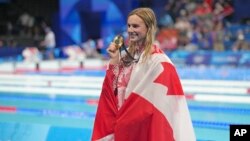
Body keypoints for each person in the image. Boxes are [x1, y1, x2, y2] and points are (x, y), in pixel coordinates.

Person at [92, 8, 196, 141]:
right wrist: (114, 61)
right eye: (129, 26)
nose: (130, 30)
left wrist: (131, 117)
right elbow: (112, 90)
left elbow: (163, 104)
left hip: (141, 126)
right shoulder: (124, 56)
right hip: (121, 124)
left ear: (149, 28)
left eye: (135, 26)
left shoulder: (159, 61)